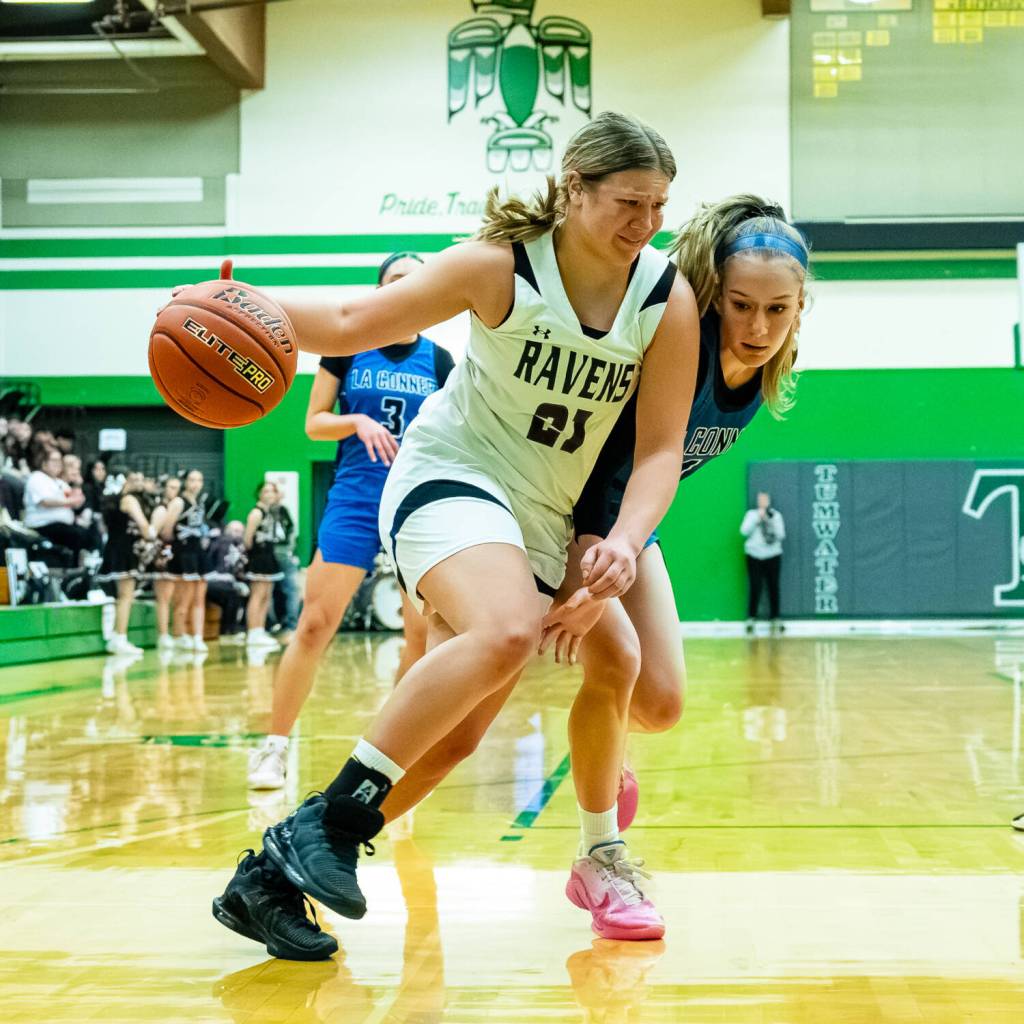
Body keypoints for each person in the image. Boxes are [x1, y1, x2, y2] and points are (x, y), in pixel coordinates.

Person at [212, 110, 698, 956]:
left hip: (543, 515)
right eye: (628, 201)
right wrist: (246, 305)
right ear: (574, 189)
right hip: (454, 475)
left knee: (458, 733)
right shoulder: (500, 266)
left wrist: (623, 537)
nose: (645, 224)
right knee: (506, 629)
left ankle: (267, 880)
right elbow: (359, 320)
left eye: (658, 206)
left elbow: (660, 451)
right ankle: (322, 829)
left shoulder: (664, 298)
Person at [541, 195, 808, 828]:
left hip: (631, 521)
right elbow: (607, 467)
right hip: (569, 502)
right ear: (716, 295)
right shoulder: (684, 339)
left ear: (801, 307)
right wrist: (598, 572)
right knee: (586, 669)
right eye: (742, 305)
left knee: (660, 703)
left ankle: (607, 738)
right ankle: (599, 842)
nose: (760, 327)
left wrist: (624, 549)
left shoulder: (769, 367)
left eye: (779, 309)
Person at [246, 252, 454, 791]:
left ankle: (392, 760)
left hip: (417, 504)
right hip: (357, 497)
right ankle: (273, 747)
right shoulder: (346, 348)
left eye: (415, 281)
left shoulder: (441, 361)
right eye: (394, 281)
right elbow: (314, 424)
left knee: (421, 637)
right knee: (315, 624)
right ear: (379, 291)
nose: (406, 289)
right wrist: (355, 420)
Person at [96, 471, 155, 654]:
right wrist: (153, 532)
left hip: (118, 548)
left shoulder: (119, 501)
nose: (139, 483)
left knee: (122, 595)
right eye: (134, 479)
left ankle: (116, 636)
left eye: (140, 479)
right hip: (123, 551)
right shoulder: (129, 500)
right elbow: (145, 527)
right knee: (125, 596)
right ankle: (119, 637)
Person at [162, 469, 209, 653]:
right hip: (183, 552)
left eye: (199, 480)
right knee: (183, 598)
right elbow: (167, 530)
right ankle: (179, 634)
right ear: (185, 482)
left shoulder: (200, 503)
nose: (196, 484)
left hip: (198, 552)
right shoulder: (179, 502)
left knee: (200, 597)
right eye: (192, 479)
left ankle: (198, 636)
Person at [22, 447, 92, 567]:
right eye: (54, 461)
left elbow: (78, 502)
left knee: (88, 532)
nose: (58, 464)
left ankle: (80, 569)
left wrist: (77, 484)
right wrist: (69, 501)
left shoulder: (59, 482)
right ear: (44, 463)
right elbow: (45, 501)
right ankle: (72, 570)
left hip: (62, 524)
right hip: (42, 524)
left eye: (60, 461)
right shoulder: (37, 477)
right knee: (76, 534)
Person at [243, 480, 286, 650]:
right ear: (259, 493)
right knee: (257, 595)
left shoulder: (271, 512)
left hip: (269, 555)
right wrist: (252, 555)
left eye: (272, 491)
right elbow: (247, 539)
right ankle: (253, 631)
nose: (269, 494)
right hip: (258, 556)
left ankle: (260, 629)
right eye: (266, 491)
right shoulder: (256, 513)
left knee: (267, 596)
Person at [741, 490, 785, 633]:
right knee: (755, 586)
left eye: (765, 500)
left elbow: (781, 534)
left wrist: (768, 520)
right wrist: (757, 520)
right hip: (754, 555)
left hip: (772, 555)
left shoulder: (775, 516)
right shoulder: (751, 515)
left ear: (769, 501)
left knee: (773, 586)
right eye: (760, 499)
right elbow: (743, 531)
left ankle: (775, 618)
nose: (762, 502)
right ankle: (751, 618)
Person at [148, 476, 181, 651]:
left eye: (177, 488)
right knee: (164, 597)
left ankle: (173, 633)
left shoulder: (175, 507)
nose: (174, 491)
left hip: (173, 554)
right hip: (161, 555)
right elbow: (159, 534)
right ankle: (162, 634)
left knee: (173, 596)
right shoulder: (161, 510)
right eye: (171, 487)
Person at [205, 520, 249, 643]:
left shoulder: (240, 547)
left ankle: (242, 628)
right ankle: (227, 632)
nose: (238, 534)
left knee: (245, 591)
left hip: (228, 582)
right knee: (232, 594)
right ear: (227, 531)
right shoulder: (219, 542)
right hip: (212, 580)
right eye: (235, 531)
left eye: (241, 531)